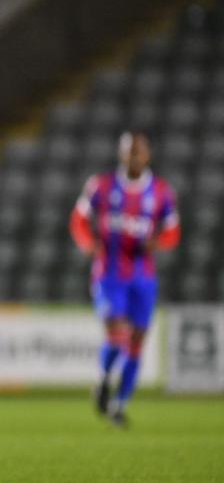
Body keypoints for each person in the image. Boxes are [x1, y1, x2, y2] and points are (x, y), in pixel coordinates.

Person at [70, 130, 180, 427]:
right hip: (109, 274)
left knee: (137, 341)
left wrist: (158, 241)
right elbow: (78, 219)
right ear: (121, 154)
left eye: (139, 151)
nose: (134, 157)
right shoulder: (101, 186)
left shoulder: (161, 192)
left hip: (143, 277)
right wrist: (87, 242)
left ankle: (119, 404)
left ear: (148, 155)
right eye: (130, 151)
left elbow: (173, 231)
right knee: (117, 334)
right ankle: (104, 379)